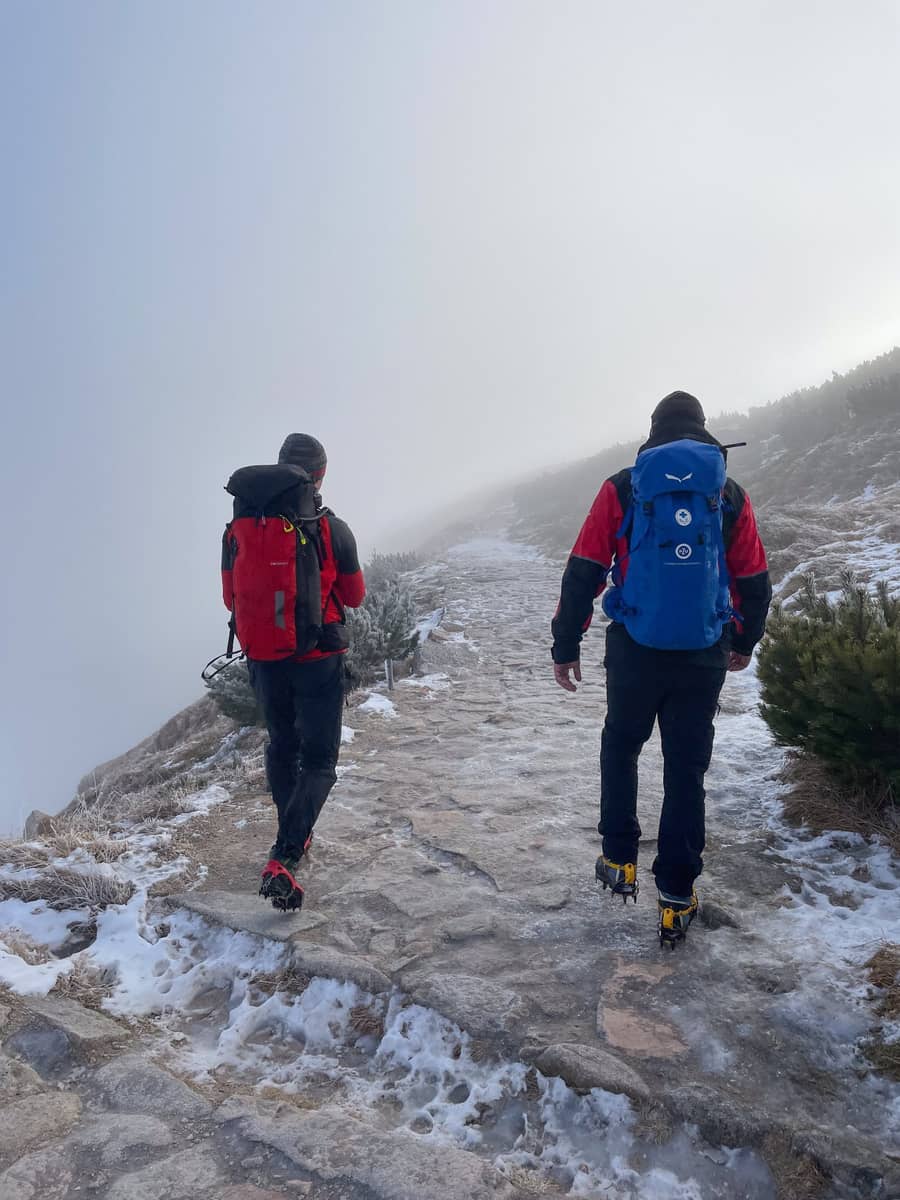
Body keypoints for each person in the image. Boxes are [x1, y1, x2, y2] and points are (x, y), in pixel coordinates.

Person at [551, 392, 771, 946]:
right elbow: (753, 579)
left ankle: (619, 858)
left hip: (634, 647)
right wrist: (742, 639)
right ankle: (676, 895)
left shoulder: (625, 486)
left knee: (622, 745)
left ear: (653, 433)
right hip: (703, 652)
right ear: (703, 432)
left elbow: (585, 568)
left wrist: (566, 643)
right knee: (685, 770)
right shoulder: (727, 493)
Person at [222, 433, 365, 911]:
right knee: (321, 761)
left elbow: (230, 598)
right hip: (317, 658)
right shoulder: (331, 528)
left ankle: (292, 834)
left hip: (264, 657)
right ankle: (285, 852)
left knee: (282, 746)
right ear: (320, 475)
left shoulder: (239, 526)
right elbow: (356, 595)